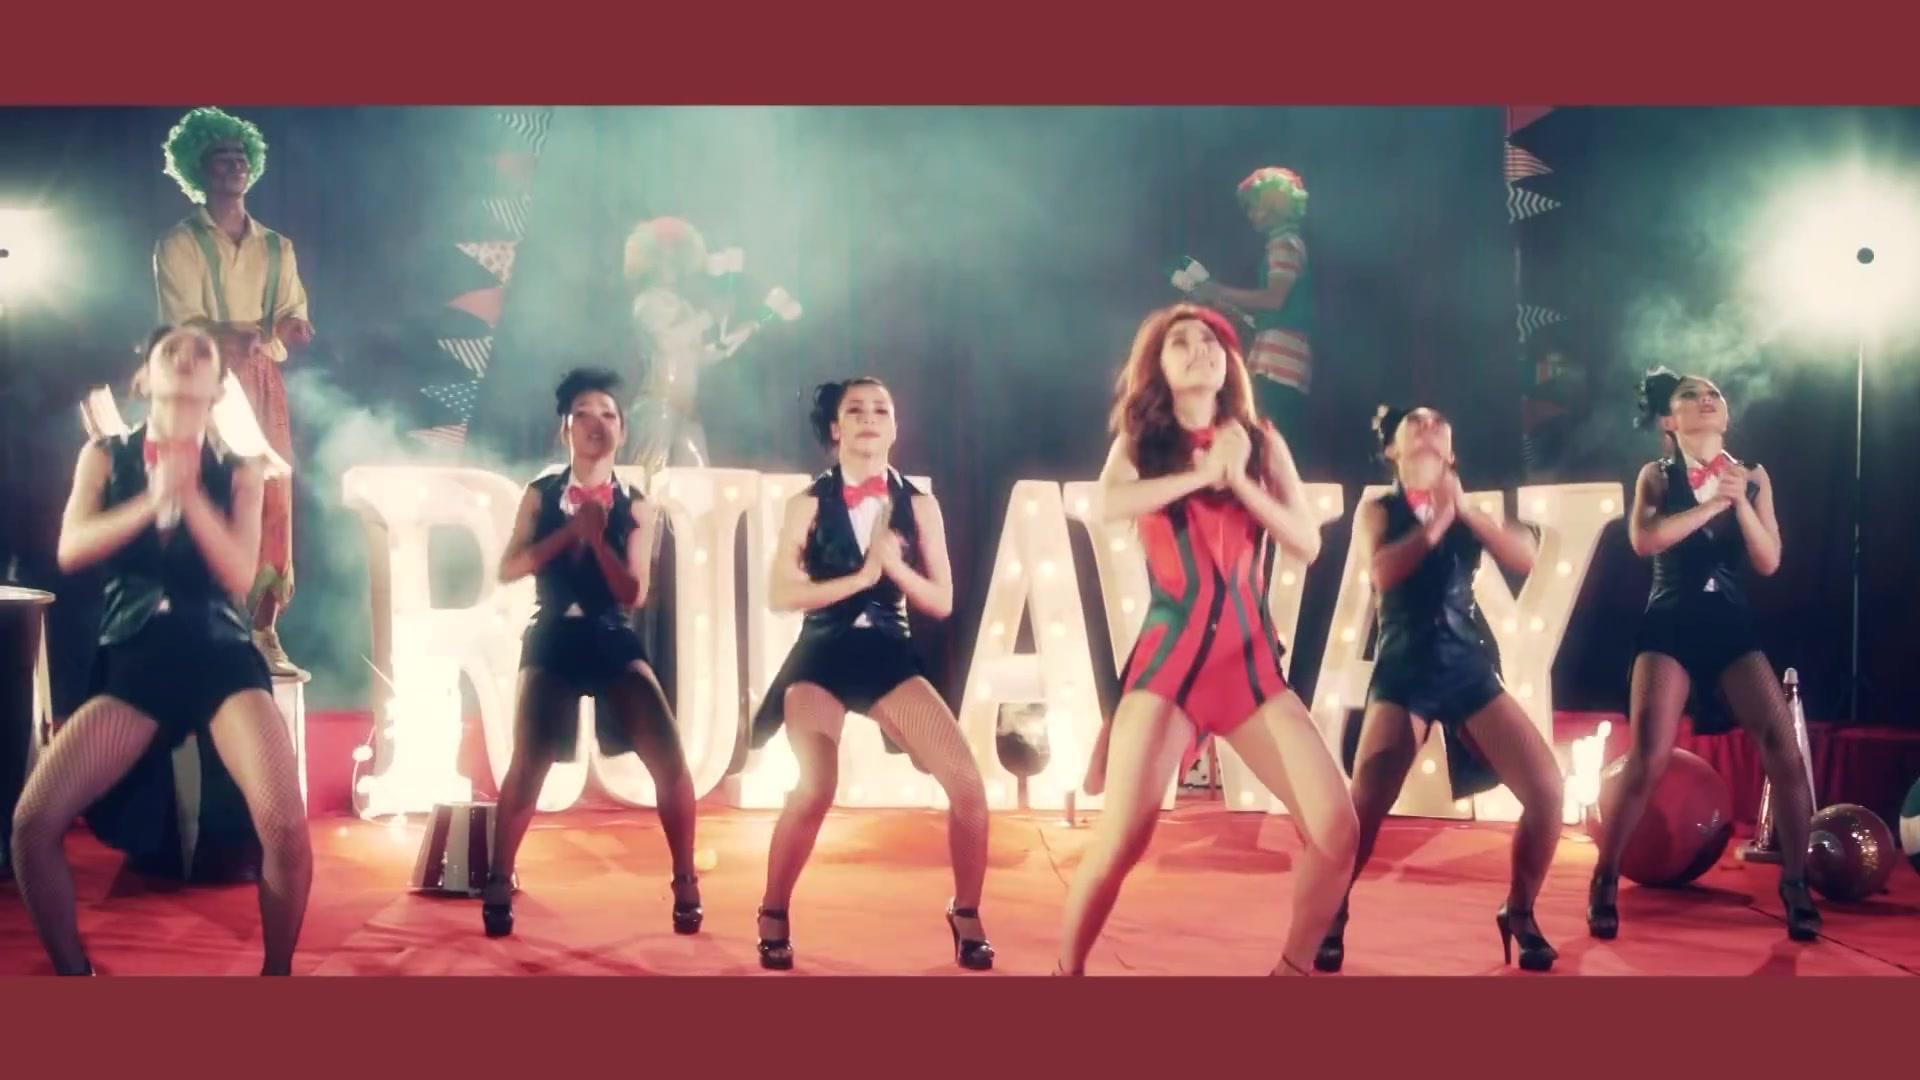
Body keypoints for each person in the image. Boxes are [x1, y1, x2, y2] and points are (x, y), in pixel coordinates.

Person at [1059, 304, 1355, 976]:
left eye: (1212, 341)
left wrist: (1241, 479)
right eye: (1181, 342)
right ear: (1158, 367)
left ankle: (1290, 976)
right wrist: (1201, 475)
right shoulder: (1140, 442)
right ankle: (1064, 975)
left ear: (1230, 362)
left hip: (1250, 670)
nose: (1200, 349)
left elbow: (1306, 543)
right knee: (1122, 838)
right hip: (1168, 668)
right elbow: (1106, 505)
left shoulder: (1263, 441)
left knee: (1337, 830)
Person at [11, 326, 312, 975]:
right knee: (33, 824)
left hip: (220, 656)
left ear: (217, 385)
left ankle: (278, 979)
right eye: (170, 348)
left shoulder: (241, 468)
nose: (186, 353)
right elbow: (72, 548)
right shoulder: (104, 455)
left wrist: (189, 495)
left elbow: (239, 574)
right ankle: (75, 978)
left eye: (201, 351)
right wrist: (153, 497)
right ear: (145, 376)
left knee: (286, 827)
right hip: (136, 658)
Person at [749, 377, 992, 971]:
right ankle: (773, 909)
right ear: (836, 428)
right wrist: (859, 578)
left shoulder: (920, 504)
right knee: (816, 785)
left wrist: (894, 571)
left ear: (894, 426)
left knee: (967, 786)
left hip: (886, 655)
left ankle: (965, 911)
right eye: (854, 410)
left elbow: (942, 601)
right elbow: (780, 593)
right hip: (820, 655)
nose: (868, 418)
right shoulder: (807, 503)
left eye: (880, 409)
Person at [1317, 405, 1566, 973]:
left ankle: (1519, 911)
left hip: (1465, 666)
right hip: (1404, 667)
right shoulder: (1379, 510)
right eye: (1416, 422)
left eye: (1438, 423)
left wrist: (1463, 511)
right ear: (1392, 450)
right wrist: (1436, 522)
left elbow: (1526, 557)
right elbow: (1382, 573)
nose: (1429, 427)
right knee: (1365, 805)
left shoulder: (1468, 509)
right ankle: (1332, 909)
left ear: (1452, 451)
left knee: (1547, 792)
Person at [1588, 369, 1819, 942]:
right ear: (1670, 421)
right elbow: (1645, 541)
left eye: (1713, 393)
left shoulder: (1754, 476)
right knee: (1648, 755)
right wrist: (1712, 503)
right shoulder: (1657, 475)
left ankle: (1796, 884)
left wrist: (1738, 503)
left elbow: (1769, 561)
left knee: (1784, 751)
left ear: (1726, 413)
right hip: (1669, 623)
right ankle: (1605, 876)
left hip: (1730, 625)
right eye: (1689, 395)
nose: (1706, 399)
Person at [480, 369, 701, 938]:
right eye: (582, 414)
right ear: (565, 431)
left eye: (607, 414)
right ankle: (498, 881)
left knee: (669, 759)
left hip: (610, 633)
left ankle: (685, 880)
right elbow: (508, 568)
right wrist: (569, 533)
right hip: (552, 634)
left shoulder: (638, 505)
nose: (595, 424)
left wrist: (598, 540)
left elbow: (634, 592)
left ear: (621, 431)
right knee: (529, 760)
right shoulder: (540, 494)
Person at [153, 106, 315, 678]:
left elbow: (292, 311)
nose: (234, 165)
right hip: (205, 384)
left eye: (241, 156)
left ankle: (264, 628)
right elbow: (181, 323)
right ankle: (202, 621)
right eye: (221, 157)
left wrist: (293, 327)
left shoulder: (277, 248)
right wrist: (229, 335)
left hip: (263, 381)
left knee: (273, 495)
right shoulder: (178, 244)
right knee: (210, 492)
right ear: (199, 169)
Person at [1188, 167, 1315, 455]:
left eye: (1255, 205)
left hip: (1280, 361)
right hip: (1279, 356)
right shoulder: (1287, 243)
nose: (1251, 214)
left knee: (1268, 442)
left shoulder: (1284, 244)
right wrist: (1230, 305)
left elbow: (1274, 299)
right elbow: (1273, 309)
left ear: (1273, 204)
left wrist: (1217, 291)